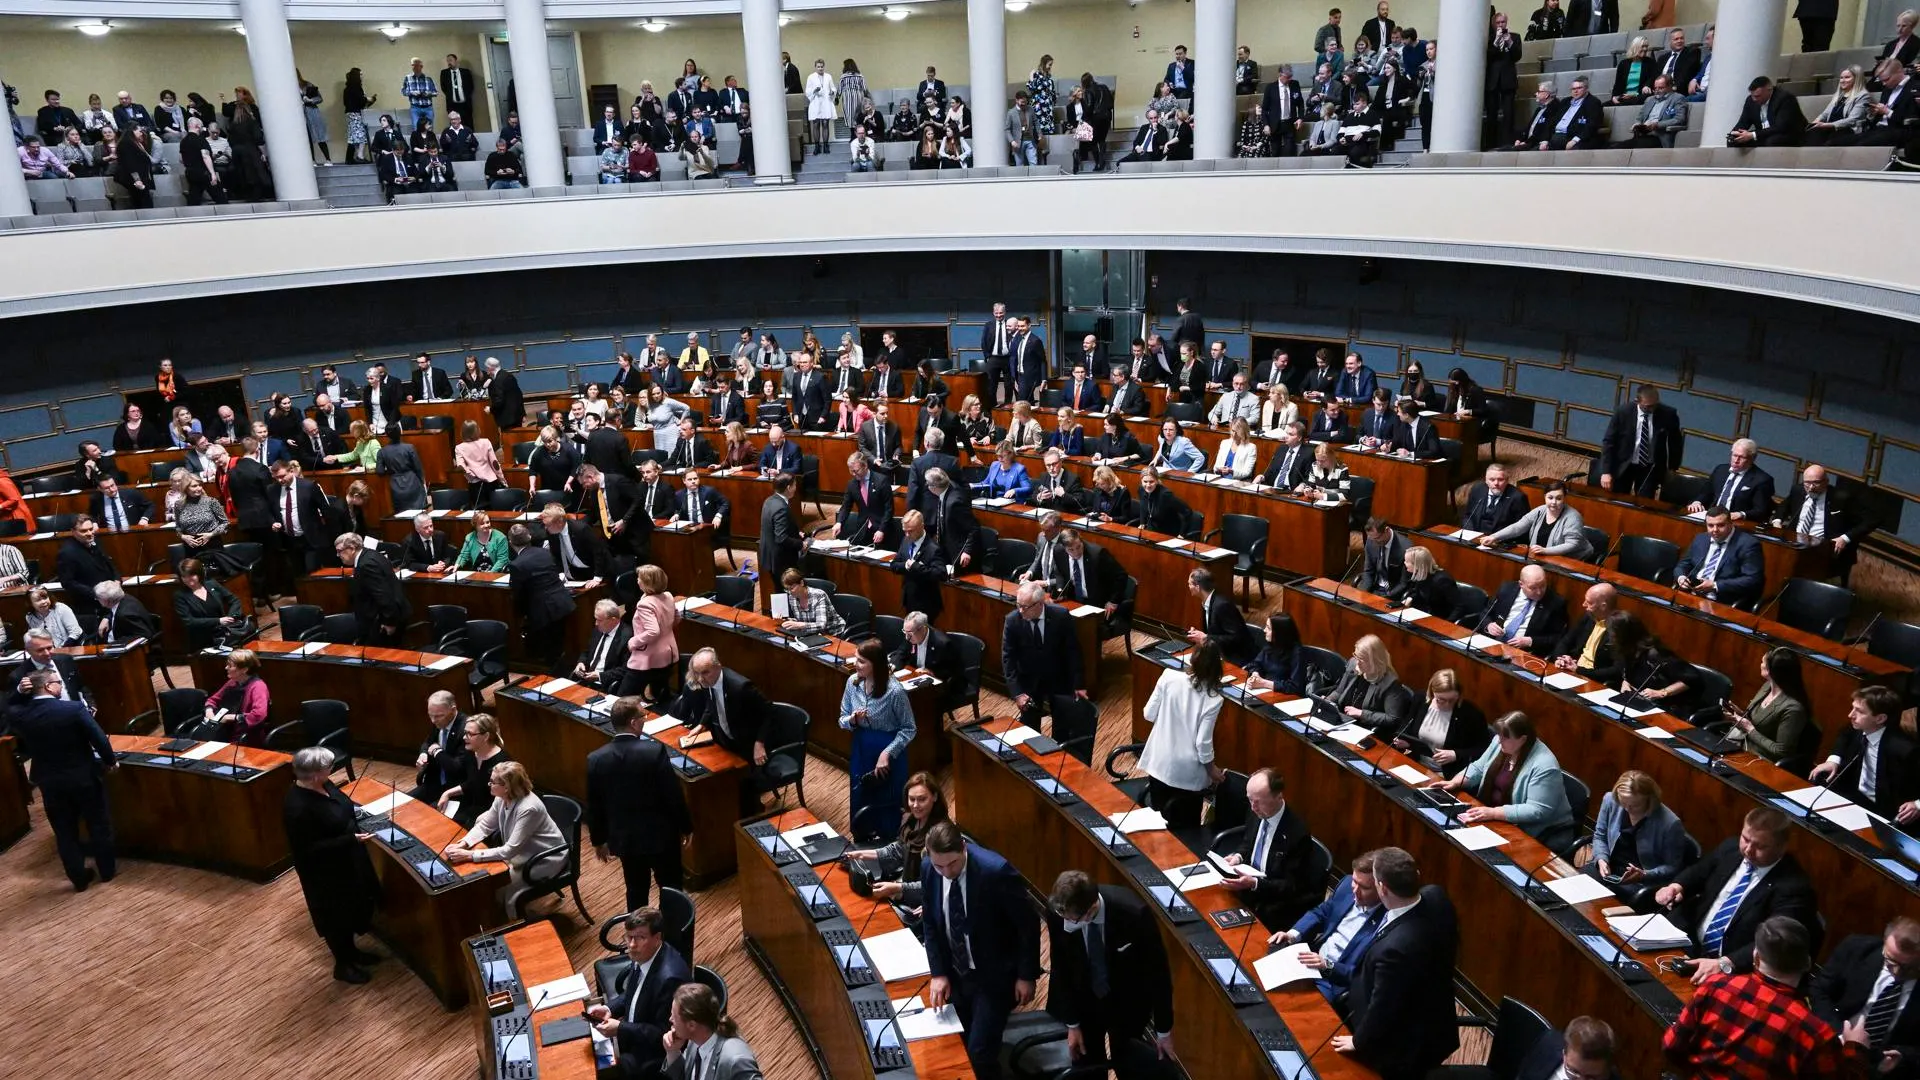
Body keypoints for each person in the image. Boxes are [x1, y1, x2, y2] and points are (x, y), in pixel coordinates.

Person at [1663, 916, 1868, 1077]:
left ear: (1756, 957)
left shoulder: (1715, 987)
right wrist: (1855, 1051)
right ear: (1807, 964)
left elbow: (1671, 1047)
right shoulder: (1815, 1033)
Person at [920, 821, 1040, 1079]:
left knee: (980, 1053)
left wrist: (1026, 974)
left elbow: (1028, 924)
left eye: (951, 863)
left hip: (994, 975)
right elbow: (930, 922)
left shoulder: (995, 872)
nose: (945, 872)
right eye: (939, 865)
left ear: (963, 847)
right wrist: (938, 973)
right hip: (955, 972)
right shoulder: (929, 869)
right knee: (954, 1044)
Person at [1331, 847, 1460, 1076]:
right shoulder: (1435, 896)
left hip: (1401, 1046)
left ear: (1382, 887)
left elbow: (1383, 1007)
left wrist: (1359, 1042)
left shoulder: (1396, 950)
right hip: (1432, 1009)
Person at [1654, 807, 1819, 981]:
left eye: (1760, 846)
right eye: (1745, 839)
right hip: (1690, 943)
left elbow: (1774, 943)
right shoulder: (1730, 848)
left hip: (1734, 968)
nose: (1748, 850)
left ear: (1782, 847)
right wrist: (1676, 886)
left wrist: (1725, 963)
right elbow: (1699, 871)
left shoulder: (1794, 887)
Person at [1044, 870, 1175, 1077]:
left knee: (1129, 1067)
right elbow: (1061, 968)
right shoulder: (1059, 913)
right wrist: (1072, 1024)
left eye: (1073, 921)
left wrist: (1163, 1031)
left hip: (1127, 1003)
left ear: (1092, 908)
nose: (1066, 925)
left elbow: (1158, 974)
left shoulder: (1134, 914)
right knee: (1087, 1070)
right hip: (1083, 1002)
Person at [283, 747, 381, 982]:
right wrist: (350, 839)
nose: (332, 769)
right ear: (316, 774)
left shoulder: (324, 785)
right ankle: (343, 965)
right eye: (328, 767)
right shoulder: (297, 807)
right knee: (336, 918)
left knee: (352, 908)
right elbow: (307, 849)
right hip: (324, 872)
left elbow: (342, 807)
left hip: (346, 860)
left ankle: (352, 952)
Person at [12, 668, 115, 891]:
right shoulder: (74, 709)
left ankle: (79, 879)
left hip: (50, 783)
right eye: (58, 682)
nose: (61, 686)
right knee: (98, 824)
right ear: (49, 687)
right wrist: (110, 761)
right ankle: (107, 872)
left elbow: (8, 708)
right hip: (84, 777)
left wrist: (19, 693)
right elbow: (99, 740)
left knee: (65, 832)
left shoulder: (22, 715)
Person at [586, 698, 692, 912]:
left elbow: (594, 805)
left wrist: (598, 841)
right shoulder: (654, 752)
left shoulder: (596, 759)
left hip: (626, 840)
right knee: (671, 887)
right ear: (634, 723)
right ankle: (671, 934)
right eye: (644, 715)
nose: (645, 719)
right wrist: (686, 827)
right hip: (662, 836)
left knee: (635, 889)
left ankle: (638, 934)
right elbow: (672, 795)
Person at [1429, 711, 1575, 844]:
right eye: (1499, 735)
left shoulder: (1544, 765)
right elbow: (1479, 767)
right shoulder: (1500, 743)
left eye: (1505, 738)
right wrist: (1455, 782)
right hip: (1494, 817)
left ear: (1523, 739)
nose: (1499, 741)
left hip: (1535, 833)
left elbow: (1537, 810)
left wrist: (1494, 813)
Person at [443, 761, 566, 916]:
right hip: (522, 853)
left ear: (506, 786)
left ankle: (513, 925)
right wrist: (464, 843)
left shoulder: (529, 808)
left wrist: (470, 856)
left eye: (493, 782)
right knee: (490, 882)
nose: (489, 784)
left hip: (543, 859)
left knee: (502, 888)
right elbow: (486, 825)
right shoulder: (502, 797)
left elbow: (509, 850)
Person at [1271, 850, 1385, 1007]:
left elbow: (1362, 976)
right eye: (1355, 881)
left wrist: (1327, 966)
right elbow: (1322, 912)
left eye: (1364, 887)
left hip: (1332, 983)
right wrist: (1292, 934)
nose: (1355, 890)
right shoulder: (1346, 886)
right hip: (1308, 961)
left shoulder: (1386, 923)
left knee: (1287, 1008)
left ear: (1381, 889)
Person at [1810, 916, 1920, 1076]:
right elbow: (1819, 990)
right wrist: (1841, 1035)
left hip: (1885, 1067)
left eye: (1909, 968)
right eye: (1890, 961)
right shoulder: (1856, 949)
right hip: (1833, 1040)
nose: (1896, 973)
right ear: (1884, 943)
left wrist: (1903, 1057)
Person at [1218, 767, 1321, 930]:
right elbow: (1248, 842)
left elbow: (1290, 886)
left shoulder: (1297, 833)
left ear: (1278, 797)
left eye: (1258, 802)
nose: (1253, 807)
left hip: (1272, 898)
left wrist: (1255, 884)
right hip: (1247, 883)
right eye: (1250, 800)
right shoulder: (1256, 811)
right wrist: (1238, 856)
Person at [1138, 639, 1225, 827]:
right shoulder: (1214, 699)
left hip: (1159, 762)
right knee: (1187, 829)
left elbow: (1148, 714)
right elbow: (1203, 743)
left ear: (1192, 659)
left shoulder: (1168, 677)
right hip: (1187, 773)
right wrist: (1212, 770)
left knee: (1157, 823)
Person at [1810, 685, 1920, 823]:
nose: (1851, 715)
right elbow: (1844, 734)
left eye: (1859, 711)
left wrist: (1917, 805)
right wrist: (1833, 760)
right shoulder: (1859, 726)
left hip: (1888, 813)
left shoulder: (1905, 750)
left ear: (1880, 718)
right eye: (1853, 708)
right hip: (1854, 798)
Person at [1001, 580, 1089, 741]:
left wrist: (1079, 684)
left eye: (1025, 606)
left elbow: (1073, 652)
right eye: (1018, 604)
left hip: (1058, 679)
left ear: (1039, 604)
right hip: (1029, 682)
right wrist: (1018, 693)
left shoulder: (1060, 616)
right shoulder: (1012, 621)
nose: (1020, 611)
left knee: (1062, 726)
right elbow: (1008, 659)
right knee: (1029, 730)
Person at [848, 772, 948, 908]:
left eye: (922, 799)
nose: (915, 805)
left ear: (935, 797)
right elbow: (899, 850)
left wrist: (898, 888)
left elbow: (936, 884)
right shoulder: (910, 820)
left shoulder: (941, 835)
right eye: (912, 799)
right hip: (906, 889)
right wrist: (863, 854)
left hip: (927, 902)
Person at [670, 647, 769, 776]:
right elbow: (712, 703)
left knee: (746, 785)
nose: (699, 679)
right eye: (697, 673)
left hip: (746, 741)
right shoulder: (707, 682)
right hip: (725, 738)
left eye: (705, 672)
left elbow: (769, 712)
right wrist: (702, 724)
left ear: (718, 667)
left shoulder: (740, 687)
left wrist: (760, 743)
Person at [1586, 769, 1686, 894]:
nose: (1627, 808)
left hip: (1638, 882)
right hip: (1607, 867)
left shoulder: (1670, 823)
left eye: (1635, 805)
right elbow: (1600, 836)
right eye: (1623, 803)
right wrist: (1601, 858)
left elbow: (1672, 867)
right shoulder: (1610, 800)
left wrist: (1644, 874)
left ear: (1649, 800)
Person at [1724, 647, 1812, 767]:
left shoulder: (1793, 709)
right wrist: (1740, 714)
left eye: (1763, 662)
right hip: (1738, 745)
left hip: (1759, 759)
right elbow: (1759, 720)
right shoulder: (1767, 686)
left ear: (1771, 671)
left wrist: (1750, 729)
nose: (1760, 665)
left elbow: (1781, 752)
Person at [1394, 669, 1490, 778]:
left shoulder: (1471, 714)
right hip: (1415, 763)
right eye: (1441, 700)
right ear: (1432, 692)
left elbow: (1483, 750)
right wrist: (1404, 741)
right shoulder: (1421, 700)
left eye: (1452, 700)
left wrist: (1456, 755)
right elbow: (1406, 725)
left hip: (1447, 774)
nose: (1447, 704)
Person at [660, 982, 762, 1079]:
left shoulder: (735, 1059)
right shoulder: (695, 1041)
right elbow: (684, 1076)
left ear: (691, 1025)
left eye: (674, 1016)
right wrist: (673, 1052)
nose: (670, 1019)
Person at [1673, 505, 1766, 609]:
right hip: (1692, 594)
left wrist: (1715, 585)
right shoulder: (1701, 539)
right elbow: (1682, 565)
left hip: (1722, 601)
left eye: (1720, 525)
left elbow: (1753, 580)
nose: (1715, 530)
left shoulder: (1748, 544)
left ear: (1731, 523)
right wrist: (1681, 577)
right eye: (1710, 525)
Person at [1598, 384, 1682, 496]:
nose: (1652, 409)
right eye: (1647, 407)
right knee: (1618, 499)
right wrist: (1606, 472)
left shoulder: (1668, 414)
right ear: (1637, 401)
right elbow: (1609, 441)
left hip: (1649, 467)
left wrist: (1672, 467)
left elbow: (1675, 442)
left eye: (1654, 405)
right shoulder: (1623, 412)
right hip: (1624, 464)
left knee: (1644, 503)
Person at [438, 713, 513, 828]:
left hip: (492, 817)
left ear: (486, 736)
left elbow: (508, 800)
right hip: (472, 807)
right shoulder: (471, 753)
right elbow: (473, 782)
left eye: (470, 734)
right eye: (465, 733)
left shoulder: (502, 763)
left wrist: (487, 816)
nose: (464, 737)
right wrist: (448, 793)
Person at [336, 532, 409, 646]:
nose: (338, 555)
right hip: (389, 615)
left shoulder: (366, 565)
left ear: (352, 548)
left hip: (383, 622)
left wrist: (389, 622)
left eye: (340, 551)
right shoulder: (372, 554)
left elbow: (382, 594)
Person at [174, 558, 245, 652]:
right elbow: (189, 621)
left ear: (199, 573)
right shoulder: (180, 595)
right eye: (184, 576)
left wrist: (231, 617)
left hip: (223, 634)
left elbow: (234, 600)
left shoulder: (212, 584)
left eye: (192, 575)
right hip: (201, 640)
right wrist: (218, 621)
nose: (188, 579)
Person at [1727, 77, 1806, 148]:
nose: (1754, 99)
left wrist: (1752, 135)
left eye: (1758, 96)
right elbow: (1743, 122)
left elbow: (1780, 127)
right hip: (1763, 135)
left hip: (1788, 135)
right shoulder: (1750, 101)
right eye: (1752, 96)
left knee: (1773, 141)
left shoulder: (1785, 98)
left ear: (1769, 90)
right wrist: (1733, 135)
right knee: (1734, 142)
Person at [1385, 546, 1458, 616]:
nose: (1404, 563)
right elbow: (1418, 593)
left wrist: (1447, 625)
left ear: (1417, 565)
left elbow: (1458, 607)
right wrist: (1411, 598)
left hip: (1440, 619)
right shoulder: (1421, 575)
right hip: (1424, 615)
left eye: (1407, 561)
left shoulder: (1442, 580)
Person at [1245, 613, 1307, 696]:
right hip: (1264, 692)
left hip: (1284, 698)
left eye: (1268, 628)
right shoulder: (1271, 644)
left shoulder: (1297, 653)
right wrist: (1255, 674)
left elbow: (1295, 687)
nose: (1264, 630)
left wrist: (1263, 683)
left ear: (1279, 633)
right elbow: (1256, 663)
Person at [1459, 463, 1531, 535]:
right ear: (1486, 480)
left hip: (1500, 540)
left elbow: (1522, 527)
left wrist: (1495, 538)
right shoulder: (1477, 490)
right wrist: (1470, 534)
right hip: (1474, 536)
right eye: (1492, 480)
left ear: (1507, 480)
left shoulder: (1518, 498)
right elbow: (1468, 516)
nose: (1496, 483)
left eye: (1500, 479)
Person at [94, 580, 160, 645]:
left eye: (97, 598)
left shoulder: (125, 615)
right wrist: (107, 618)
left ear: (107, 601)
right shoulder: (125, 598)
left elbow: (145, 635)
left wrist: (115, 644)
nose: (96, 600)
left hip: (116, 648)